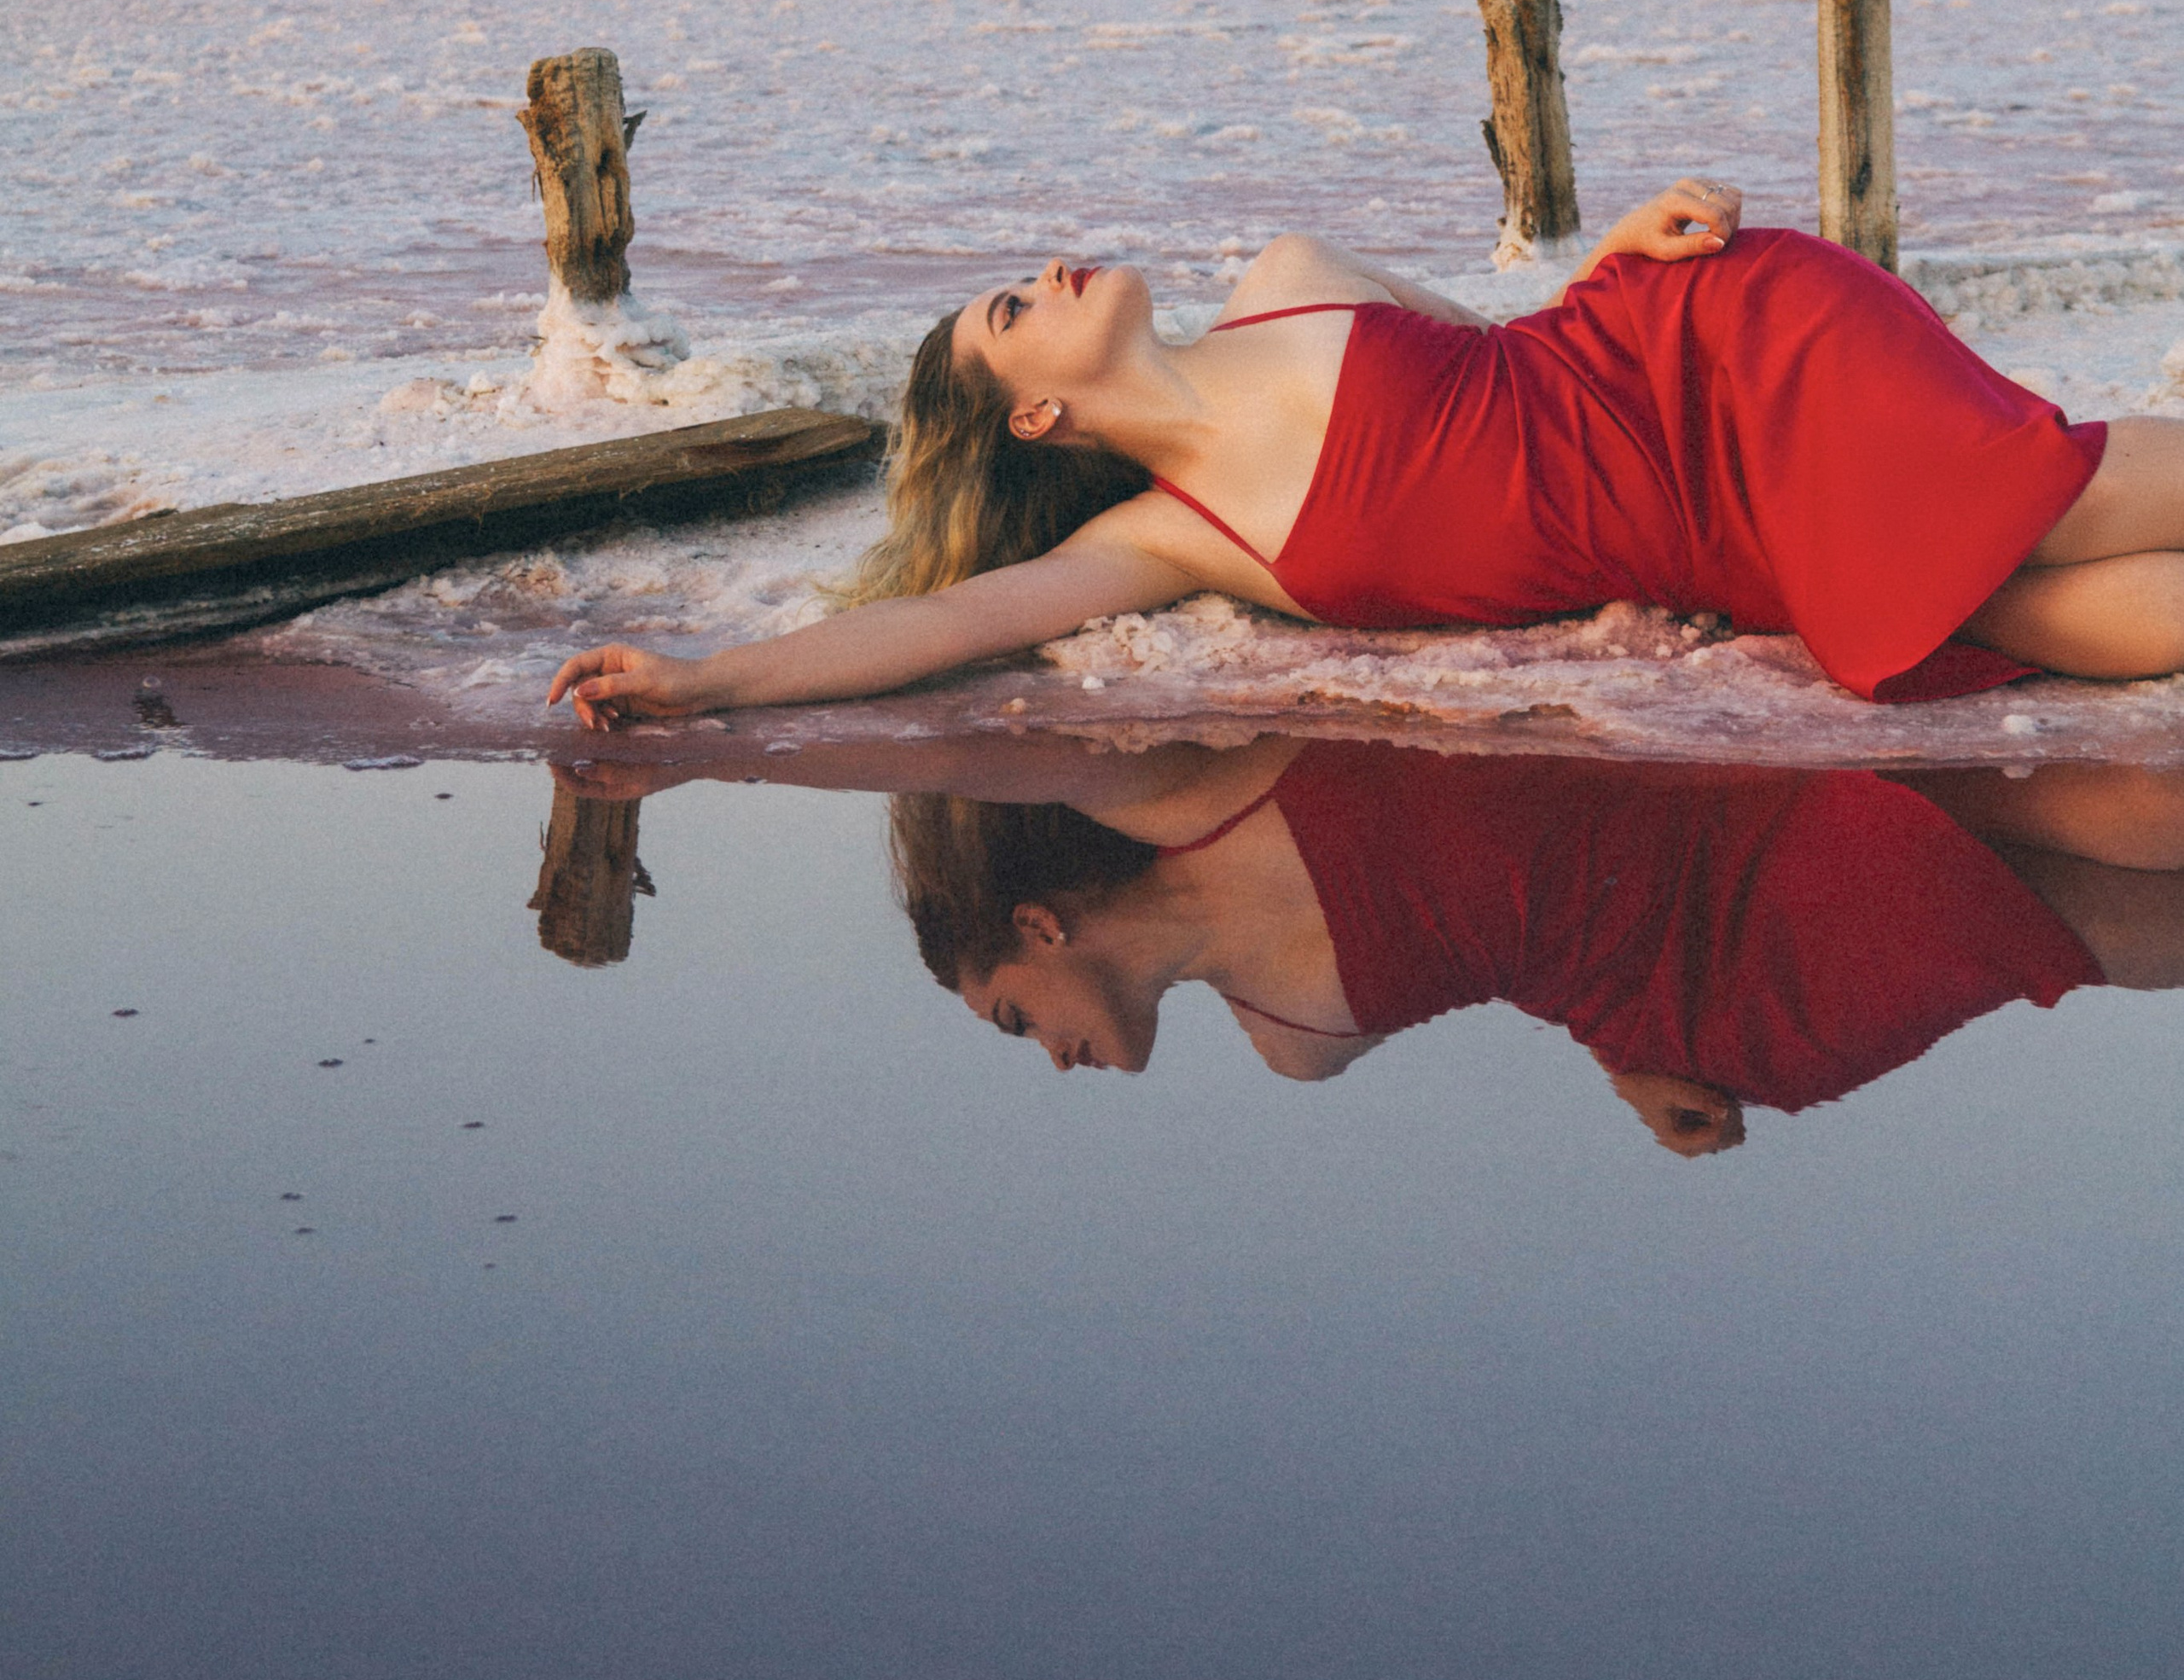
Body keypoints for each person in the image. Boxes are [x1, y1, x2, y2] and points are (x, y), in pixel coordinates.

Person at [550, 178, 2184, 736]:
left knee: (2040, 499)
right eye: (1011, 309)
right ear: (1031, 416)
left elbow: (1523, 344)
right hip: (1720, 547)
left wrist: (1614, 244)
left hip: (1733, 359)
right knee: (1995, 613)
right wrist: (711, 685)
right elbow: (939, 624)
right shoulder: (1177, 541)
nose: (1047, 268)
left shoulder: (1285, 278)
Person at [547, 718, 2184, 1151]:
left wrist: (696, 748)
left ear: (1034, 921)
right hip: (1725, 988)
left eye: (1008, 1012)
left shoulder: (1179, 794)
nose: (1042, 1051)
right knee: (2098, 939)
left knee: (2051, 800)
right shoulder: (1291, 1046)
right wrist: (1625, 1057)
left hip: (1709, 813)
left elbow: (936, 748)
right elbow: (1505, 942)